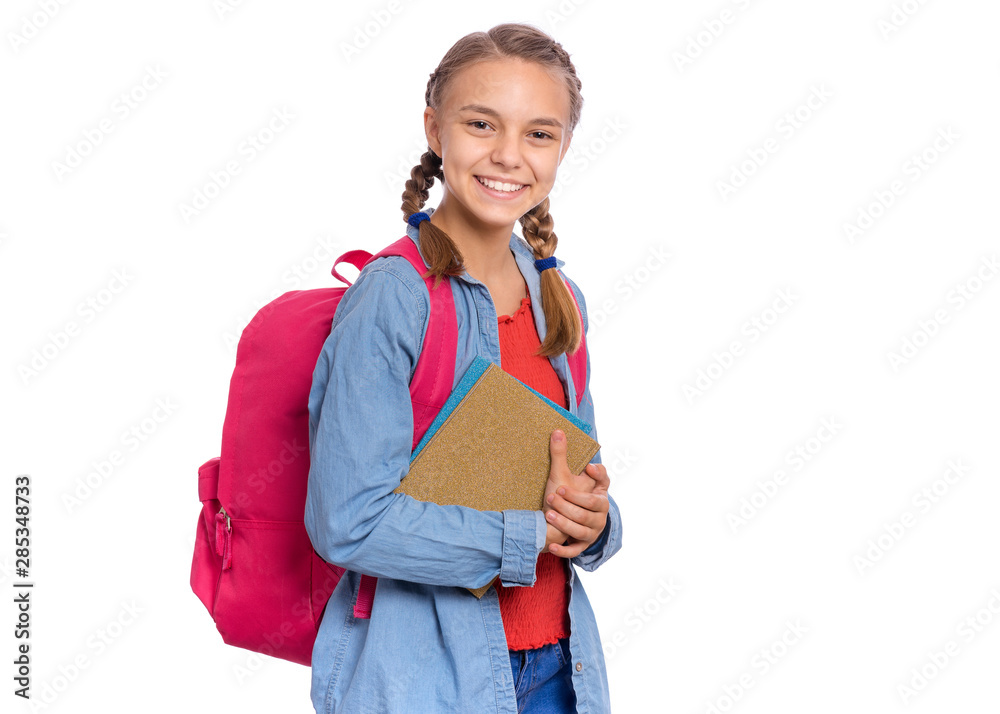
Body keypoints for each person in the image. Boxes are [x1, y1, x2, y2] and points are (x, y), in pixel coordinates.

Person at [304, 22, 623, 713]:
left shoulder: (559, 297)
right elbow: (347, 522)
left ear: (563, 147)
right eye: (482, 124)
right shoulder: (395, 295)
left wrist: (594, 521)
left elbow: (577, 486)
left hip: (561, 670)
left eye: (539, 134)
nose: (509, 156)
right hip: (424, 680)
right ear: (435, 128)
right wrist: (530, 533)